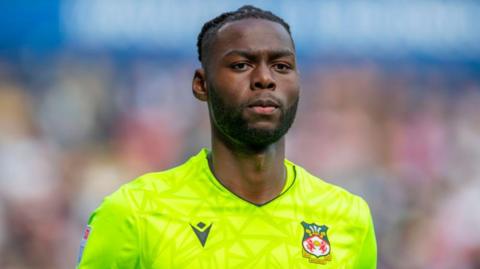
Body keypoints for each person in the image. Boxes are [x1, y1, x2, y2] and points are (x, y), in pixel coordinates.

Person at [76, 5, 377, 268]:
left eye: (281, 66)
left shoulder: (348, 218)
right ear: (201, 84)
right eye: (241, 65)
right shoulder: (134, 213)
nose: (264, 78)